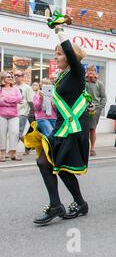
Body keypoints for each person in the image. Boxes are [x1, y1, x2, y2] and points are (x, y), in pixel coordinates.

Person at [24, 24, 90, 225]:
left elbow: (69, 49)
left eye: (59, 54)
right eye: (55, 54)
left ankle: (72, 204)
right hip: (61, 127)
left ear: (70, 57)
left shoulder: (77, 72)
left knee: (59, 167)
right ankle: (64, 204)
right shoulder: (62, 77)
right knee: (46, 162)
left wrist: (59, 29)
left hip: (73, 129)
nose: (56, 57)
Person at [0, 72, 22, 162]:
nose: (10, 78)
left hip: (14, 115)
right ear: (3, 78)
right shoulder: (0, 89)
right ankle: (2, 154)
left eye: (11, 76)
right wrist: (12, 102)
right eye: (8, 76)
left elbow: (19, 99)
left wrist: (6, 99)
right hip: (1, 115)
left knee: (15, 133)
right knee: (1, 134)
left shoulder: (15, 88)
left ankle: (13, 153)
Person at [85, 65, 107, 156]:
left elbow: (104, 97)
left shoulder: (99, 84)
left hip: (95, 109)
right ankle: (84, 147)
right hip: (83, 108)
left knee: (92, 129)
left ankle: (92, 148)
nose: (90, 72)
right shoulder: (83, 82)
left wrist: (100, 107)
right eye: (89, 71)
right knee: (83, 129)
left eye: (92, 71)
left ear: (95, 73)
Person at [15, 70, 34, 156]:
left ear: (22, 77)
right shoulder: (13, 86)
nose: (16, 77)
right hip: (12, 112)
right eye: (15, 75)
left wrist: (31, 113)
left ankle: (12, 151)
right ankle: (28, 146)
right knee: (14, 133)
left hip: (22, 113)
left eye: (18, 75)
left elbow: (31, 101)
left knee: (17, 132)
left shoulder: (27, 88)